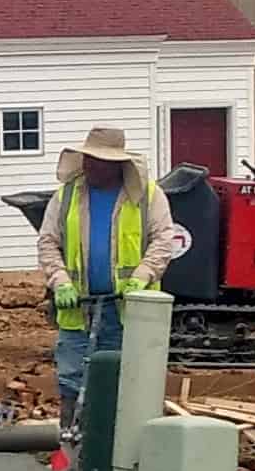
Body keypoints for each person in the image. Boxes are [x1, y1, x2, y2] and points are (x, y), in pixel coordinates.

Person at [35, 123, 183, 431]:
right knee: (72, 378)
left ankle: (116, 444)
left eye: (98, 160)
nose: (90, 166)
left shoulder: (146, 197)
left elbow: (163, 239)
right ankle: (72, 440)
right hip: (77, 308)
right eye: (88, 159)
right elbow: (48, 241)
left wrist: (142, 275)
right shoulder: (67, 196)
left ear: (116, 164)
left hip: (128, 310)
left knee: (122, 378)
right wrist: (60, 280)